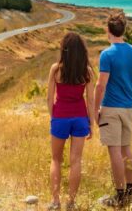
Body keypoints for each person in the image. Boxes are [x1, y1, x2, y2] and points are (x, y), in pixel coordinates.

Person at [94, 12, 132, 207]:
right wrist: (131, 100)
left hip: (111, 108)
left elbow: (100, 85)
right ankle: (130, 193)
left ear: (108, 30)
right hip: (128, 107)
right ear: (124, 29)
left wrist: (95, 108)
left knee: (114, 151)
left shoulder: (107, 54)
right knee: (126, 150)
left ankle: (120, 196)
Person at [47, 32, 95, 210]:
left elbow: (49, 98)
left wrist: (54, 117)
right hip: (80, 118)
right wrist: (91, 124)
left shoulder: (56, 69)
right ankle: (71, 203)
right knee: (76, 161)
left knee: (56, 160)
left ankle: (55, 201)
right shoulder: (86, 71)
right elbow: (90, 100)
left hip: (60, 117)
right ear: (82, 51)